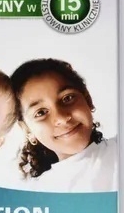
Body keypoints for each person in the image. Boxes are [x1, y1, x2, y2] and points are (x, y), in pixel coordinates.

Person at [10, 58, 118, 192]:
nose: (61, 118)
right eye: (41, 112)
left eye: (67, 98)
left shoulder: (122, 150)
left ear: (88, 99)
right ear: (28, 131)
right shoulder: (37, 193)